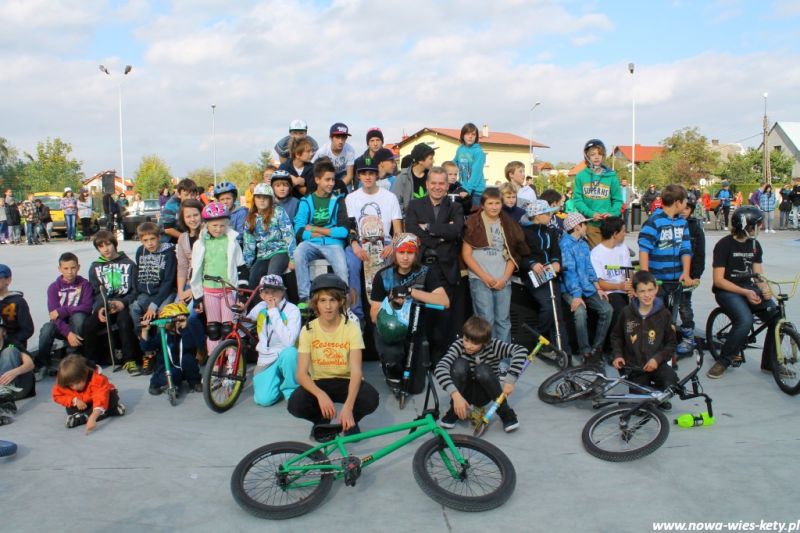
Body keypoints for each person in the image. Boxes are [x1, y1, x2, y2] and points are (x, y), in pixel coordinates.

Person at [287, 273, 379, 438]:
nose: (328, 306)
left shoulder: (351, 328)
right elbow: (301, 374)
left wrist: (349, 407)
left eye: (332, 300)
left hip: (346, 381)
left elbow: (357, 371)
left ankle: (349, 420)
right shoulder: (308, 330)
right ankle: (321, 421)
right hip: (320, 382)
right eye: (323, 301)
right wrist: (320, 395)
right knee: (295, 404)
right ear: (316, 303)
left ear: (341, 302)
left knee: (370, 398)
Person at [707, 206, 780, 379]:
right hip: (727, 291)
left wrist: (764, 288)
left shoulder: (755, 245)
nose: (760, 227)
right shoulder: (724, 245)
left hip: (748, 289)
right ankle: (723, 361)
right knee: (745, 320)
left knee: (776, 317)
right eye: (757, 224)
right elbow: (718, 280)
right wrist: (745, 292)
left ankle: (771, 364)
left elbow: (758, 274)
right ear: (746, 226)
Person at [369, 233, 449, 386]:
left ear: (416, 254)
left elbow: (444, 302)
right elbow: (374, 315)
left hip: (415, 330)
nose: (405, 257)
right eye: (401, 252)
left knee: (415, 387)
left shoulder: (426, 272)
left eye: (410, 253)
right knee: (393, 360)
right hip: (391, 328)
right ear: (395, 253)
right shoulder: (383, 275)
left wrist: (410, 292)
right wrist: (392, 303)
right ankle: (390, 367)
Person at [434, 316, 526, 432]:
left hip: (483, 394)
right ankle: (455, 410)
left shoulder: (493, 345)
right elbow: (440, 367)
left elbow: (521, 350)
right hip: (463, 393)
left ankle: (505, 412)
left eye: (475, 343)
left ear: (484, 342)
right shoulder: (458, 346)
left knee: (482, 369)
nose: (468, 346)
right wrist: (456, 396)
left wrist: (510, 379)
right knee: (459, 365)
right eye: (466, 340)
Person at [406, 166, 465, 346]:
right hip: (422, 266)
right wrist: (440, 238)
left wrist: (430, 228)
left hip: (446, 269)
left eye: (441, 183)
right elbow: (412, 230)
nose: (437, 187)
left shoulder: (455, 207)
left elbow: (456, 231)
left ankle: (441, 360)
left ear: (447, 186)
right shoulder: (415, 205)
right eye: (434, 183)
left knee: (444, 317)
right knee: (421, 315)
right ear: (427, 184)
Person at [462, 187, 529, 342]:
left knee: (503, 320)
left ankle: (504, 361)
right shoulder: (473, 223)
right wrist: (485, 277)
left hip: (503, 280)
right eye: (490, 203)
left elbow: (514, 254)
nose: (494, 207)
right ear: (483, 205)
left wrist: (505, 278)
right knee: (485, 320)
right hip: (480, 278)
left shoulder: (509, 224)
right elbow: (466, 255)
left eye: (497, 203)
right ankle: (486, 358)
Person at [345, 161, 403, 322]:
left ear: (377, 175)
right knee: (352, 264)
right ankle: (357, 315)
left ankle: (391, 308)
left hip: (384, 241)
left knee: (393, 263)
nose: (368, 177)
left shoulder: (390, 197)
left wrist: (392, 245)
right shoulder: (351, 198)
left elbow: (398, 230)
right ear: (358, 175)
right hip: (360, 242)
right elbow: (351, 229)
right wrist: (355, 246)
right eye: (364, 173)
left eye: (371, 173)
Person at [610, 270, 678, 404]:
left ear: (656, 289)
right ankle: (650, 397)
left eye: (650, 290)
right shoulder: (626, 312)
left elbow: (671, 344)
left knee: (671, 381)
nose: (647, 295)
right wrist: (618, 355)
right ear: (634, 293)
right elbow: (616, 336)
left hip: (656, 364)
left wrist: (657, 359)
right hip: (634, 367)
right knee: (640, 408)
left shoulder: (664, 314)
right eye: (642, 291)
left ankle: (657, 397)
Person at [190, 202, 247, 355]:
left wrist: (241, 293)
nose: (218, 229)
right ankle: (214, 365)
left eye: (222, 226)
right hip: (209, 291)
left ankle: (231, 365)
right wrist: (197, 297)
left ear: (227, 224)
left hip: (228, 290)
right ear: (206, 224)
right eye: (214, 225)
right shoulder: (200, 244)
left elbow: (241, 268)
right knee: (213, 329)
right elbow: (195, 271)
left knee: (228, 328)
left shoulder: (232, 242)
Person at [292, 160, 350, 306]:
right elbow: (298, 229)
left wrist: (314, 229)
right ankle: (305, 299)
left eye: (333, 179)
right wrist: (311, 235)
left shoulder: (338, 200)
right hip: (312, 242)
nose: (331, 183)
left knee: (342, 269)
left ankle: (343, 302)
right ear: (318, 180)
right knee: (299, 252)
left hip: (333, 244)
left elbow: (343, 231)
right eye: (327, 179)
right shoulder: (306, 201)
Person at [83, 231, 142, 373]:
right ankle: (90, 362)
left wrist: (123, 303)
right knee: (89, 324)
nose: (106, 249)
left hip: (123, 305)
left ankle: (130, 360)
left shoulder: (129, 264)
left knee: (124, 322)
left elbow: (135, 290)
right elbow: (96, 293)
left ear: (114, 244)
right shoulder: (95, 267)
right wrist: (101, 308)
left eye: (108, 244)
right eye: (101, 246)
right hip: (105, 305)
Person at [559, 212, 613, 363]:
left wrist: (598, 288)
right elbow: (569, 273)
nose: (587, 226)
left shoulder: (583, 244)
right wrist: (577, 296)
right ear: (577, 227)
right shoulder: (565, 244)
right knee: (580, 312)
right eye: (585, 224)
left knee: (607, 309)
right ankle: (585, 351)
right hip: (570, 290)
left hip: (587, 287)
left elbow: (589, 268)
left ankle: (596, 348)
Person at [521, 200, 571, 359]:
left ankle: (564, 351)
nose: (551, 216)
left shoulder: (551, 232)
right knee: (548, 308)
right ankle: (539, 337)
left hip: (551, 273)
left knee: (558, 312)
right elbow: (520, 256)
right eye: (548, 213)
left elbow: (556, 251)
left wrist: (556, 262)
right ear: (538, 216)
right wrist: (532, 264)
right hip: (534, 275)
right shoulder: (524, 232)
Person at [35, 253, 93, 381]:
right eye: (66, 268)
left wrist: (63, 310)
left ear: (78, 267)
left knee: (79, 317)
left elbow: (87, 307)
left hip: (77, 326)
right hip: (60, 326)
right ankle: (42, 363)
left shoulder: (85, 284)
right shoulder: (53, 288)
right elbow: (53, 315)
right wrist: (68, 333)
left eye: (73, 268)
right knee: (46, 329)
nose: (70, 272)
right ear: (59, 269)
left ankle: (72, 357)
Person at [246, 275, 301, 406]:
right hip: (266, 359)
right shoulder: (259, 307)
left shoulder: (292, 310)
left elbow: (289, 342)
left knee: (290, 353)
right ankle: (279, 378)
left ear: (282, 291)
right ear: (261, 294)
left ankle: (292, 390)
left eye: (275, 291)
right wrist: (240, 313)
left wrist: (273, 312)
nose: (271, 295)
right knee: (264, 400)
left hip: (286, 356)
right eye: (266, 291)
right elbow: (244, 327)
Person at [638, 184, 694, 314]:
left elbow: (686, 248)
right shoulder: (654, 221)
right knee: (655, 314)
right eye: (685, 200)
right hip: (657, 279)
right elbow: (644, 249)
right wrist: (646, 276)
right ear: (677, 203)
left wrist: (686, 272)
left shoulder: (683, 223)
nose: (687, 204)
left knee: (671, 317)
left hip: (676, 279)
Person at [131, 222, 177, 370]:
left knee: (162, 315)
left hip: (165, 293)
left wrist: (154, 304)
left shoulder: (168, 253)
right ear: (141, 240)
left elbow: (169, 282)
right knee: (134, 309)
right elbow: (138, 274)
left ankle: (161, 354)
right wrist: (137, 294)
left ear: (159, 237)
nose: (149, 243)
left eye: (152, 239)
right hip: (146, 293)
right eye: (145, 240)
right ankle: (147, 351)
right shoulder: (140, 251)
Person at [51, 354, 126, 431]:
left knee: (112, 397)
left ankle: (86, 417)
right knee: (70, 409)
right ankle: (106, 412)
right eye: (70, 385)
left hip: (99, 401)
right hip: (83, 403)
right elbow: (57, 396)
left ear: (84, 375)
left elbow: (100, 398)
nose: (74, 387)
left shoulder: (97, 379)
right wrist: (74, 400)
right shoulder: (64, 382)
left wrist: (93, 417)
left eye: (76, 383)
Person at [141, 303, 202, 395]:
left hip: (184, 366)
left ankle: (194, 382)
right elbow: (147, 347)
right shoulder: (163, 335)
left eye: (181, 319)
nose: (178, 322)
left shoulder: (187, 331)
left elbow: (190, 345)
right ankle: (155, 383)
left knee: (188, 359)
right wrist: (144, 331)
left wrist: (184, 328)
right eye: (175, 320)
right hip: (167, 368)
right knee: (172, 374)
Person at [243, 183, 295, 288]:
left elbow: (288, 234)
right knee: (253, 278)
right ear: (254, 199)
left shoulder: (278, 211)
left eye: (265, 197)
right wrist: (246, 266)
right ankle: (261, 304)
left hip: (280, 251)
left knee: (272, 278)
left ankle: (281, 304)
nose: (262, 200)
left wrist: (293, 258)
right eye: (258, 197)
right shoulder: (250, 219)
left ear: (271, 199)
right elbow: (249, 244)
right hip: (263, 254)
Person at [572, 139, 623, 248]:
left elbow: (617, 200)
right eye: (593, 154)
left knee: (610, 255)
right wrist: (591, 213)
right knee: (598, 252)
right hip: (591, 224)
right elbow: (578, 200)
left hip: (609, 224)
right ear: (587, 156)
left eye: (600, 154)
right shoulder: (581, 176)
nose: (596, 157)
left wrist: (612, 213)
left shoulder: (611, 176)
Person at [173, 199, 207, 363]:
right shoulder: (183, 238)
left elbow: (209, 268)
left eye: (195, 215)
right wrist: (180, 291)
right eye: (188, 216)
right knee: (174, 314)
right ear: (183, 219)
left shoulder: (208, 234)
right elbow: (182, 267)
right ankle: (182, 356)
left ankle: (202, 347)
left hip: (205, 285)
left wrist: (192, 291)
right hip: (187, 284)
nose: (193, 219)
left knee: (192, 317)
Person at [589, 216, 632, 336]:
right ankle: (614, 347)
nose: (625, 234)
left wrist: (629, 285)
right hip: (609, 292)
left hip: (623, 289)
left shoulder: (623, 248)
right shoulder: (596, 253)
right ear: (614, 233)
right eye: (623, 231)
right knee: (622, 311)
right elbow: (600, 283)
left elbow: (628, 269)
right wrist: (620, 286)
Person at [675, 196, 705, 357]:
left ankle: (688, 337)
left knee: (684, 306)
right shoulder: (669, 224)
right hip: (670, 272)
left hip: (687, 275)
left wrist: (696, 275)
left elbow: (700, 254)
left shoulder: (695, 229)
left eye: (687, 209)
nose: (684, 212)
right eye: (682, 208)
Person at [0, 315, 35, 402]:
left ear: (4, 331)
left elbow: (30, 364)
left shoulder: (11, 343)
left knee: (10, 351)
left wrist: (15, 372)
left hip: (19, 386)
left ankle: (4, 394)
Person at [312, 122, 355, 193]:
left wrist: (338, 188)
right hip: (326, 174)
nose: (340, 141)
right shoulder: (323, 151)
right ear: (331, 138)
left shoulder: (350, 150)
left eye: (343, 138)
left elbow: (349, 176)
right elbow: (313, 169)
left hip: (342, 175)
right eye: (337, 137)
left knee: (347, 191)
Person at [393, 142, 435, 215]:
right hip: (409, 221)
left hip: (429, 221)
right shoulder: (402, 177)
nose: (433, 161)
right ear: (421, 161)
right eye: (430, 158)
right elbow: (396, 203)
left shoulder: (432, 176)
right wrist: (406, 219)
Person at [0, 264, 34, 350]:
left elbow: (28, 330)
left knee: (9, 351)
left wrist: (8, 341)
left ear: (8, 280)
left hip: (13, 344)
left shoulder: (18, 302)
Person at [454, 122, 487, 207]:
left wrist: (468, 190)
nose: (470, 136)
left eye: (473, 134)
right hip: (463, 189)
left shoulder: (478, 152)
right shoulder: (460, 149)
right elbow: (453, 165)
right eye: (467, 133)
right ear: (462, 135)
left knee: (474, 218)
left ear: (476, 137)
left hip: (476, 192)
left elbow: (476, 173)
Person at [160, 178, 198, 243]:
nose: (190, 198)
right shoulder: (171, 206)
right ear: (179, 194)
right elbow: (168, 229)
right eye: (186, 195)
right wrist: (188, 239)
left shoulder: (196, 204)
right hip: (168, 240)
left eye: (192, 195)